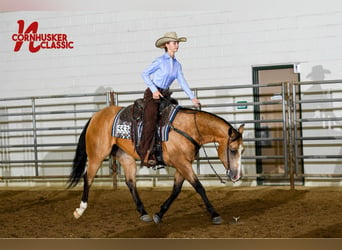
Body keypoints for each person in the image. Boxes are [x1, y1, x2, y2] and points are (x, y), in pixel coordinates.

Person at [139, 31, 200, 167]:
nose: (176, 45)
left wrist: (192, 98)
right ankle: (145, 154)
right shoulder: (160, 61)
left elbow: (182, 82)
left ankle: (166, 150)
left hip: (165, 94)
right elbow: (144, 74)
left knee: (174, 117)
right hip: (153, 93)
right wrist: (154, 90)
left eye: (177, 42)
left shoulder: (177, 65)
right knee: (151, 120)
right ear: (167, 45)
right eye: (174, 43)